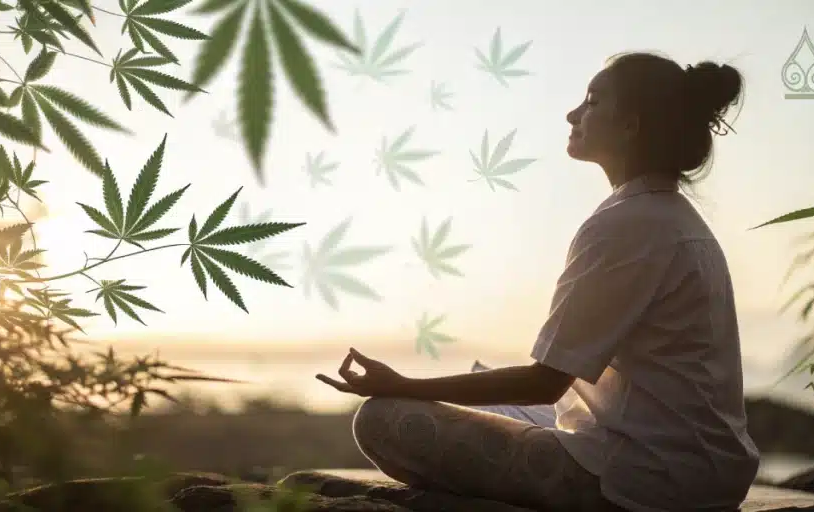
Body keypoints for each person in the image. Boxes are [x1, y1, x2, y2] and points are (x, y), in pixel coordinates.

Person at [316, 51, 761, 512]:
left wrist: (404, 385)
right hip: (697, 467)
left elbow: (543, 384)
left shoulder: (627, 223)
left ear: (631, 125)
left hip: (648, 479)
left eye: (591, 102)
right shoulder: (668, 216)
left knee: (383, 420)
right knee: (481, 386)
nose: (573, 114)